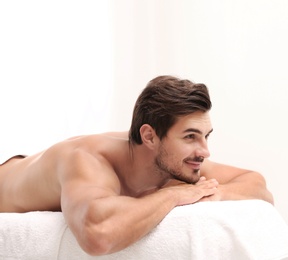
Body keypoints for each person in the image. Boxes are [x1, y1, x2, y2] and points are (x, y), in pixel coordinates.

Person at [0, 75, 273, 256]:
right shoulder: (86, 159)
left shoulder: (174, 160)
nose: (205, 151)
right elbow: (98, 235)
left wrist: (209, 193)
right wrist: (173, 195)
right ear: (149, 136)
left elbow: (257, 186)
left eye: (206, 136)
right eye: (190, 136)